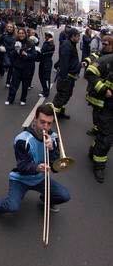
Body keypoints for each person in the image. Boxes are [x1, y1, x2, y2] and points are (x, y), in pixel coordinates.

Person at [0, 104, 70, 216]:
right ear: (35, 120)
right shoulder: (22, 139)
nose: (45, 127)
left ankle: (46, 200)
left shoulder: (54, 138)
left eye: (49, 123)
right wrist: (37, 167)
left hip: (40, 178)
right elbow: (22, 167)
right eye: (42, 122)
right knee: (12, 207)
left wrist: (51, 149)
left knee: (64, 196)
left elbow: (56, 168)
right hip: (21, 179)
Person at [84, 53, 113, 183]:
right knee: (107, 137)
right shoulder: (108, 60)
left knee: (105, 135)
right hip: (107, 106)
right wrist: (103, 90)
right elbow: (89, 72)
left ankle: (94, 150)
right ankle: (99, 165)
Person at [51, 28, 81, 119]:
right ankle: (54, 115)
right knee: (61, 96)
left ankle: (60, 112)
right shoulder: (67, 46)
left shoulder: (71, 44)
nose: (79, 38)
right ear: (72, 37)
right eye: (78, 36)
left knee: (66, 95)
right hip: (66, 77)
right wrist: (64, 78)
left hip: (70, 77)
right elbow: (64, 63)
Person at [5, 28, 36, 106]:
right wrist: (16, 51)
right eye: (20, 33)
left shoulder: (30, 43)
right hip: (17, 68)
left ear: (25, 34)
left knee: (25, 85)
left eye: (23, 33)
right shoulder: (15, 42)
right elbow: (11, 54)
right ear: (17, 34)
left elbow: (34, 55)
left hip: (27, 68)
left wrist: (26, 54)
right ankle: (10, 99)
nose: (21, 35)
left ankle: (23, 99)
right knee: (13, 85)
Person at [38, 31, 55, 98]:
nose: (45, 36)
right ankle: (45, 89)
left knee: (46, 78)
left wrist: (40, 51)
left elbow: (43, 50)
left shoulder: (50, 43)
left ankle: (46, 92)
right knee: (41, 76)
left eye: (47, 35)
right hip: (43, 62)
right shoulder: (47, 42)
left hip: (47, 63)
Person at [0, 22, 17, 88]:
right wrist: (0, 46)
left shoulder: (15, 36)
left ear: (13, 28)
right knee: (7, 64)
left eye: (11, 27)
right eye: (8, 27)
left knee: (11, 69)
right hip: (5, 53)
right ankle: (5, 68)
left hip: (12, 53)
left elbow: (14, 46)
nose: (9, 28)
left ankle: (8, 82)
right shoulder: (4, 35)